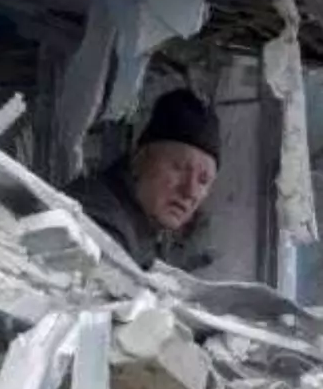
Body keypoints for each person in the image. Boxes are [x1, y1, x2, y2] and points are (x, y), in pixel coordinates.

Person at [65, 88, 221, 271]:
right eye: (178, 168)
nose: (190, 192)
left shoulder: (144, 227)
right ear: (139, 159)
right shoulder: (97, 221)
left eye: (203, 181)